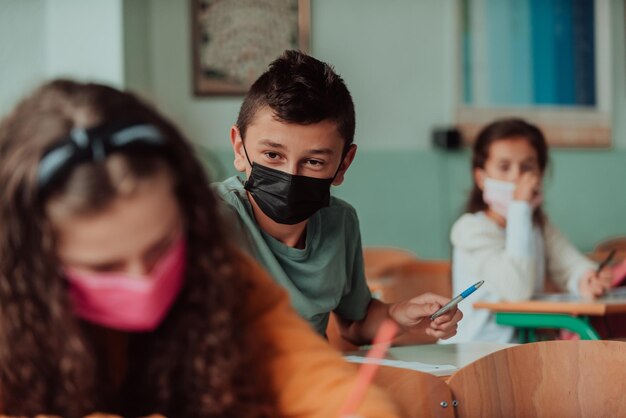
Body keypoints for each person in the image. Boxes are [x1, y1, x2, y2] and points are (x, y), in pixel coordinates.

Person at [0, 80, 399, 417]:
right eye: (104, 268)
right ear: (32, 261)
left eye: (160, 249)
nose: (144, 281)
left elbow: (313, 378)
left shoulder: (218, 276)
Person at [213, 50, 462, 345]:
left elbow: (355, 325)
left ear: (343, 164)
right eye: (272, 155)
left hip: (313, 383)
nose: (291, 174)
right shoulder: (208, 218)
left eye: (314, 162)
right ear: (240, 149)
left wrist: (399, 315)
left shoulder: (340, 223)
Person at [446, 118, 613, 343]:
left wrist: (586, 278)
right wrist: (520, 207)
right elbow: (517, 289)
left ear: (540, 175)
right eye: (504, 167)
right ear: (481, 178)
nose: (516, 177)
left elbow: (570, 264)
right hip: (475, 350)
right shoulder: (470, 229)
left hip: (525, 349)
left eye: (527, 167)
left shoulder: (538, 226)